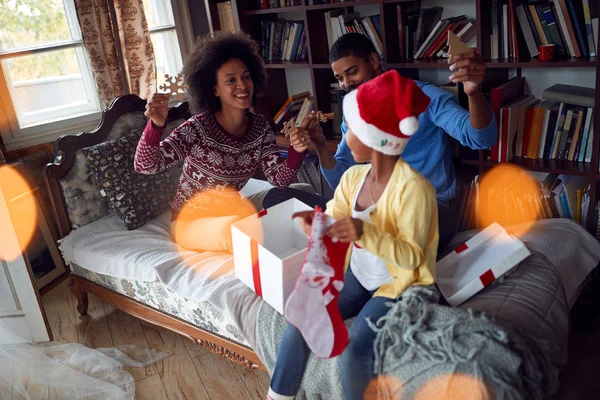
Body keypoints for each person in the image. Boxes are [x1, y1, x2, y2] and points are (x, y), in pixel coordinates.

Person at [267, 70, 439, 400]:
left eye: (352, 132)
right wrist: (316, 222)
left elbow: (412, 257)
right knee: (302, 318)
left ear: (376, 139)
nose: (344, 139)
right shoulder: (353, 178)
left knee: (354, 350)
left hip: (400, 286)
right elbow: (335, 214)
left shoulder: (415, 190)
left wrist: (365, 232)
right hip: (359, 276)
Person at [264, 33, 497, 250]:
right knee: (276, 198)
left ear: (374, 61)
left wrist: (474, 94)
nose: (345, 84)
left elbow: (480, 138)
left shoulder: (425, 97)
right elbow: (341, 181)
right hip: (375, 210)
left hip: (429, 208)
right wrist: (322, 145)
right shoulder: (353, 112)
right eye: (339, 78)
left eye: (351, 72)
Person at [134, 33, 308, 252]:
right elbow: (145, 165)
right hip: (191, 222)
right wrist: (156, 126)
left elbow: (278, 179)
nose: (243, 85)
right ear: (214, 89)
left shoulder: (260, 127)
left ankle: (338, 230)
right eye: (231, 80)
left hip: (233, 210)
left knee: (293, 197)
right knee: (234, 228)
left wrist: (297, 151)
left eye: (246, 77)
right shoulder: (197, 128)